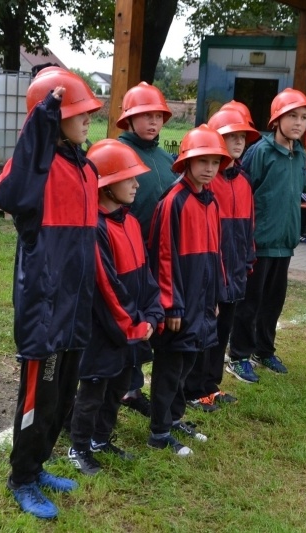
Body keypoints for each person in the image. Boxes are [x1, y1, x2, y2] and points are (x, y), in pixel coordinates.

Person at [0, 67, 102, 520]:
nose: (88, 120)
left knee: (62, 397)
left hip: (76, 305)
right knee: (39, 397)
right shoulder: (34, 172)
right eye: (78, 113)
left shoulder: (87, 169)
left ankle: (38, 466)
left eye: (89, 112)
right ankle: (21, 477)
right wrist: (39, 126)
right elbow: (9, 195)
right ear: (53, 118)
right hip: (45, 307)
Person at [67, 140, 164, 476]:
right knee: (94, 390)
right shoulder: (95, 229)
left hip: (132, 328)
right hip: (105, 331)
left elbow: (146, 277)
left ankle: (100, 439)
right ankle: (79, 447)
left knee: (119, 387)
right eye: (129, 178)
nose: (137, 184)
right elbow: (107, 289)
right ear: (107, 185)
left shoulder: (131, 222)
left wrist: (152, 313)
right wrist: (134, 325)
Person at [146, 125, 229, 455]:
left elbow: (216, 252)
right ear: (187, 162)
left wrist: (215, 296)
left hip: (201, 301)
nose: (209, 168)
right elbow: (163, 256)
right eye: (203, 161)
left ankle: (175, 417)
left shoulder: (211, 201)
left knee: (187, 364)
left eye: (215, 162)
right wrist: (171, 304)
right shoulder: (174, 202)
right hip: (179, 304)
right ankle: (159, 431)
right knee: (170, 367)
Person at [226, 88, 306, 383]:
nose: (299, 123)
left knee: (273, 302)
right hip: (259, 243)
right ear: (276, 119)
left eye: (303, 117)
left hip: (284, 244)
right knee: (249, 303)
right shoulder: (260, 152)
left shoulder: (300, 154)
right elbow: (243, 193)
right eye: (292, 116)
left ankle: (264, 350)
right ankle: (238, 356)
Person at [183, 108, 259, 412]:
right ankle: (192, 388)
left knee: (222, 330)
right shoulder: (206, 182)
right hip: (212, 273)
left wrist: (248, 259)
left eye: (242, 137)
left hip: (235, 272)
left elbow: (248, 225)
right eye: (231, 136)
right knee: (204, 332)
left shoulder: (244, 181)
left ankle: (211, 386)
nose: (239, 142)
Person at [115, 82, 177, 418]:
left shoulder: (167, 159)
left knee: (152, 319)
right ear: (129, 118)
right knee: (129, 318)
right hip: (127, 254)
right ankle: (123, 387)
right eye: (145, 115)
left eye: (158, 116)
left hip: (160, 254)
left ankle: (134, 387)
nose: (153, 122)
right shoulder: (118, 152)